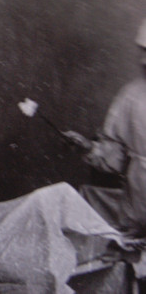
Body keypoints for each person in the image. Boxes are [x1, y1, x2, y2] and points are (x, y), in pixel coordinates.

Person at [63, 18, 146, 237]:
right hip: (138, 210)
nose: (144, 60)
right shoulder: (131, 95)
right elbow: (116, 153)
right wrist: (89, 147)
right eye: (142, 51)